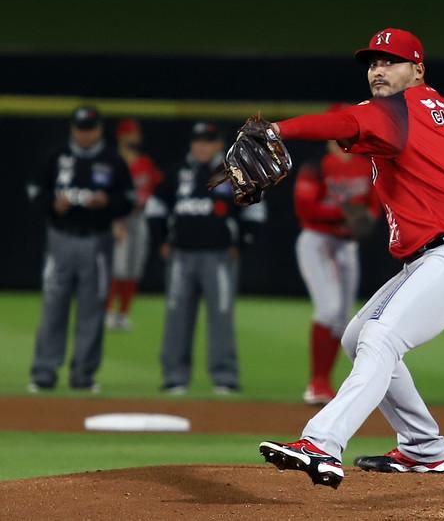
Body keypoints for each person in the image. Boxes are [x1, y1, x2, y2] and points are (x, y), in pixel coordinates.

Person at [258, 28, 444, 489]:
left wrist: (278, 130)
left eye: (391, 61)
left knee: (379, 336)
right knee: (357, 337)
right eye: (373, 63)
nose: (378, 69)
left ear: (418, 69)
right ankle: (424, 450)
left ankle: (322, 443)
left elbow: (340, 124)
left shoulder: (400, 109)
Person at [145, 122, 266, 395]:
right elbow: (154, 207)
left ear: (218, 145)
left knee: (221, 316)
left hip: (219, 256)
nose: (202, 146)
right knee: (177, 315)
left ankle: (224, 377)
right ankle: (175, 377)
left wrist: (242, 243)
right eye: (198, 141)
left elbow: (255, 213)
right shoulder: (176, 174)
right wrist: (161, 239)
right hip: (181, 255)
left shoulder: (235, 173)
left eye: (208, 141)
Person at [27, 106, 135, 393]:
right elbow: (34, 191)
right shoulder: (57, 155)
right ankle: (44, 374)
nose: (84, 134)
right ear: (73, 128)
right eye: (80, 128)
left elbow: (128, 198)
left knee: (92, 310)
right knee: (53, 306)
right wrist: (52, 203)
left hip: (97, 240)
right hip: (60, 238)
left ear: (99, 129)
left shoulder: (112, 160)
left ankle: (83, 376)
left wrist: (107, 203)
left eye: (89, 128)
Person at [293, 109, 380, 405]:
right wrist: (344, 212)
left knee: (342, 320)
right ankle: (316, 383)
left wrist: (365, 217)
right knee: (328, 310)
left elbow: (374, 205)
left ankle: (322, 383)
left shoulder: (366, 165)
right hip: (317, 241)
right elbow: (306, 209)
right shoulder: (316, 166)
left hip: (346, 244)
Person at [105, 119, 163, 331]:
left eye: (136, 133)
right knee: (117, 267)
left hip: (141, 217)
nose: (136, 137)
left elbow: (158, 186)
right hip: (119, 217)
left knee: (134, 267)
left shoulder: (145, 162)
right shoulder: (111, 162)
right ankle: (108, 312)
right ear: (121, 136)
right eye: (131, 133)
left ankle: (123, 314)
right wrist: (113, 221)